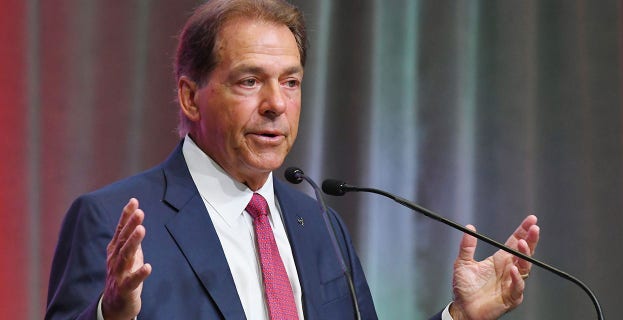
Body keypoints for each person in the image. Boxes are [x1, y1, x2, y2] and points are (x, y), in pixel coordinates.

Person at [45, 0, 540, 319]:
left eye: (291, 81)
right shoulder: (113, 220)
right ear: (191, 97)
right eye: (248, 80)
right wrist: (110, 318)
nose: (276, 104)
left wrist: (459, 317)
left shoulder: (318, 223)